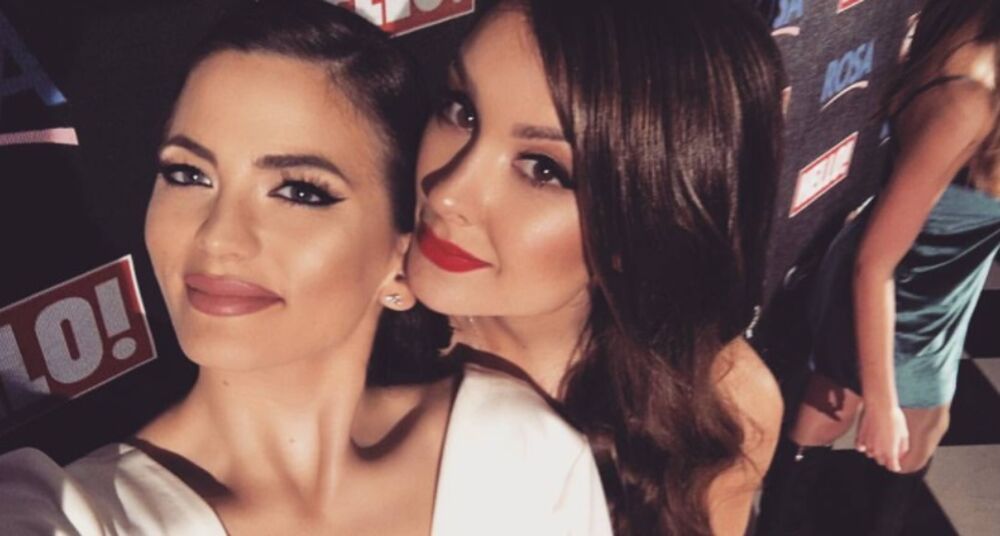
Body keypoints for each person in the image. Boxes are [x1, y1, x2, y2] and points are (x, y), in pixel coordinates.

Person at [0, 2, 611, 534]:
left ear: (399, 260)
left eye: (299, 191)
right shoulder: (70, 510)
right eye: (188, 174)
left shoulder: (517, 452)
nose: (218, 236)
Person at [403, 0, 787, 534]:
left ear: (648, 218)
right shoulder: (345, 345)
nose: (446, 194)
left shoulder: (722, 405)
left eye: (543, 169)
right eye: (462, 111)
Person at [758, 0, 1000, 533]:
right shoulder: (967, 103)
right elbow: (874, 262)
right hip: (903, 304)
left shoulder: (970, 62)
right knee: (887, 426)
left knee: (847, 411)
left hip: (940, 300)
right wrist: (884, 398)